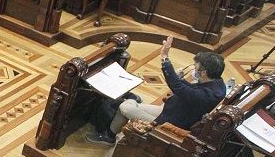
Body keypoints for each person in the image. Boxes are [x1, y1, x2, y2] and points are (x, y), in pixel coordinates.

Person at [87, 37, 226, 144]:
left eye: (195, 68)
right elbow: (188, 90)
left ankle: (109, 137)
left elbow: (180, 89)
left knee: (125, 106)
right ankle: (111, 134)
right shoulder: (217, 85)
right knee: (131, 101)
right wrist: (180, 80)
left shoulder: (207, 95)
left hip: (168, 123)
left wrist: (165, 58)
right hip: (171, 111)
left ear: (203, 72)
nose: (193, 70)